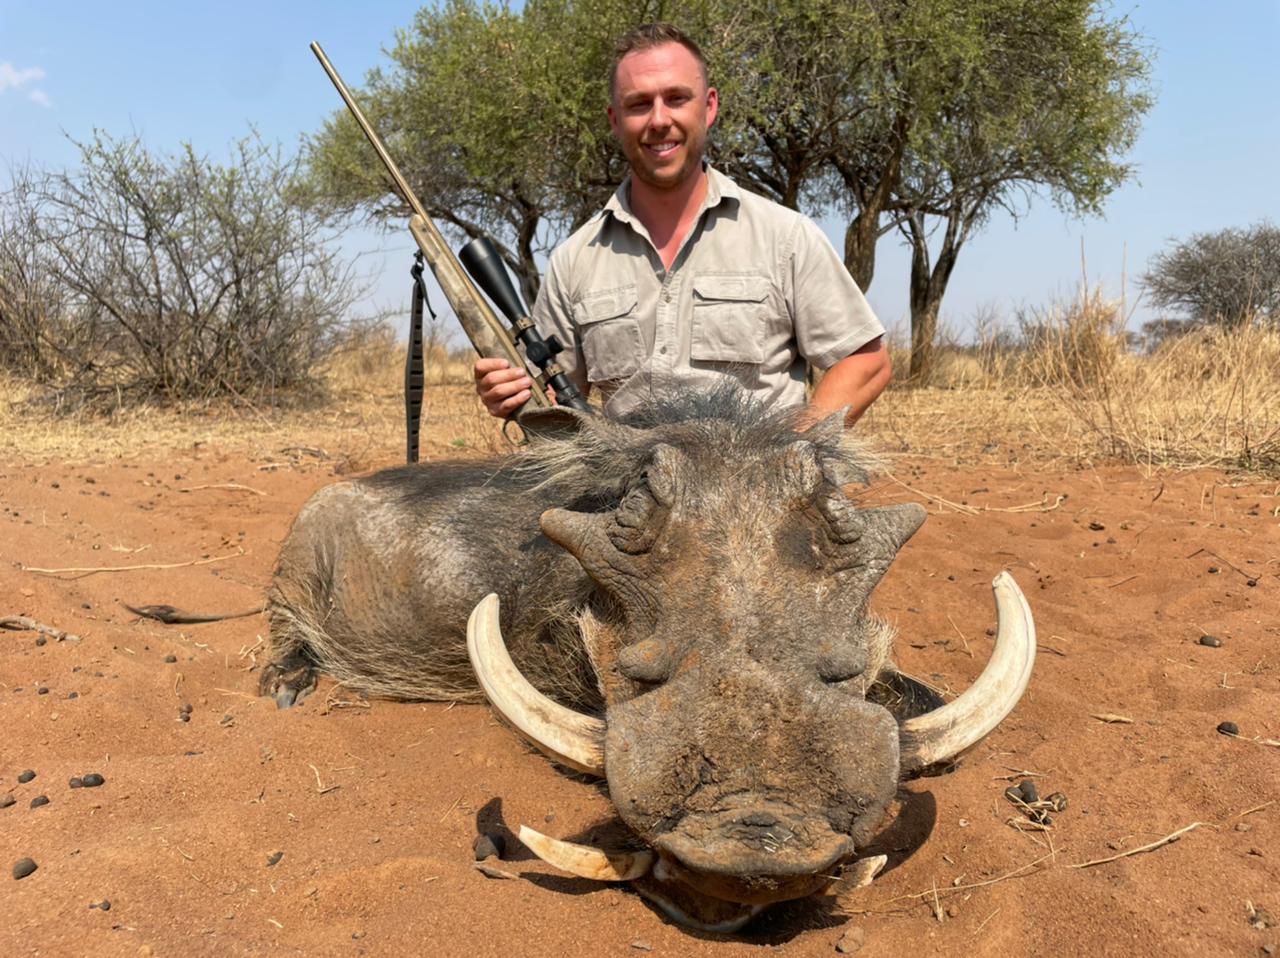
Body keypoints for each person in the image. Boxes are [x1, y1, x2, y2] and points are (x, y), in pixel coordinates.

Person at [474, 23, 889, 426]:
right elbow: (557, 399)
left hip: (760, 476)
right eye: (639, 104)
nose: (659, 120)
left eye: (676, 98)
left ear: (709, 107)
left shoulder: (785, 237)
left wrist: (794, 452)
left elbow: (865, 361)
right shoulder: (574, 260)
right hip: (627, 477)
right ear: (615, 119)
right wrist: (513, 396)